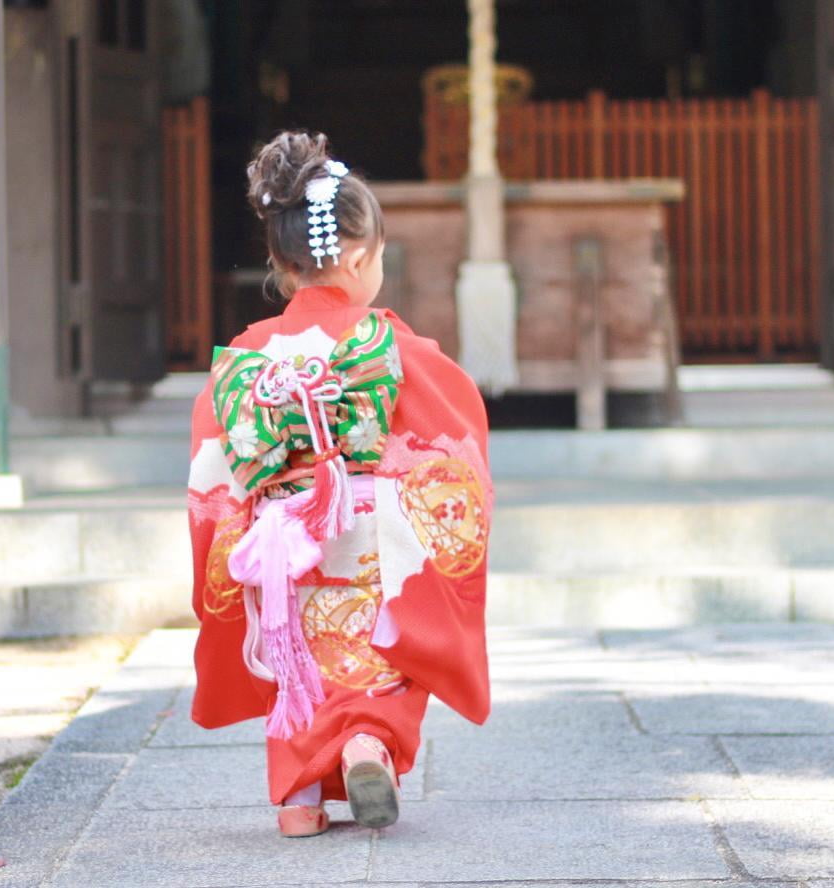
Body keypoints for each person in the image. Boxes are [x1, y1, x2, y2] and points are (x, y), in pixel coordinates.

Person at [186, 131, 492, 837]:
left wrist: (240, 527)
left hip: (274, 539)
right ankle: (368, 742)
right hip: (366, 535)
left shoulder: (246, 356)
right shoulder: (389, 347)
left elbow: (212, 469)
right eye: (378, 255)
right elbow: (451, 444)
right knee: (376, 654)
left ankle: (298, 801)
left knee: (296, 661)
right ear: (358, 257)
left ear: (279, 262)